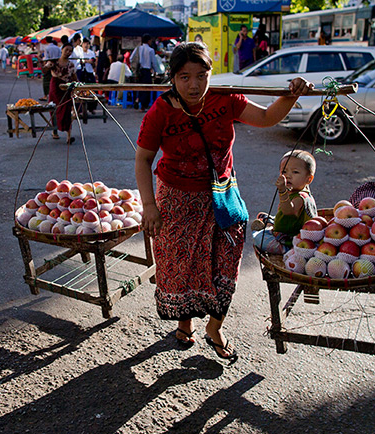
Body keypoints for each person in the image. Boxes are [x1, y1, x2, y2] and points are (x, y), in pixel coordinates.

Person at [134, 41, 314, 361]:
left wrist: (293, 94)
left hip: (222, 195)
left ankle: (215, 327)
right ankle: (184, 323)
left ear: (210, 75)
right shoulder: (160, 112)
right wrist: (149, 206)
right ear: (172, 78)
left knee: (226, 260)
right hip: (177, 199)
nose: (194, 84)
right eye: (184, 77)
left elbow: (268, 117)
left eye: (201, 75)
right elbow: (143, 159)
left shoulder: (225, 98)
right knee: (180, 265)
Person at [251, 150, 318, 254]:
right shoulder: (296, 189)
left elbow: (288, 211)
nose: (288, 176)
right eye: (284, 172)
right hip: (286, 227)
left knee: (259, 238)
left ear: (309, 179)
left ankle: (285, 249)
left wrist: (282, 191)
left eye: (295, 172)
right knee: (262, 215)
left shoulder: (301, 198)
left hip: (291, 239)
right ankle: (270, 224)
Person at [43, 43, 77, 144]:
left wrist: (79, 86)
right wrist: (46, 65)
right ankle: (55, 131)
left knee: (66, 111)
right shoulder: (54, 62)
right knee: (54, 109)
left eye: (70, 51)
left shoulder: (71, 64)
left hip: (66, 88)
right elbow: (44, 71)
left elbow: (74, 77)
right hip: (55, 88)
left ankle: (68, 136)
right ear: (61, 50)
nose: (68, 53)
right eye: (66, 50)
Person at [133, 34, 156, 111]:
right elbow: (154, 62)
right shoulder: (151, 50)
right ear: (149, 41)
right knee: (147, 88)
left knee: (140, 87)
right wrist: (155, 71)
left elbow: (131, 58)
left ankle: (137, 99)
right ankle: (143, 105)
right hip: (147, 71)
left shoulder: (138, 48)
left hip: (140, 70)